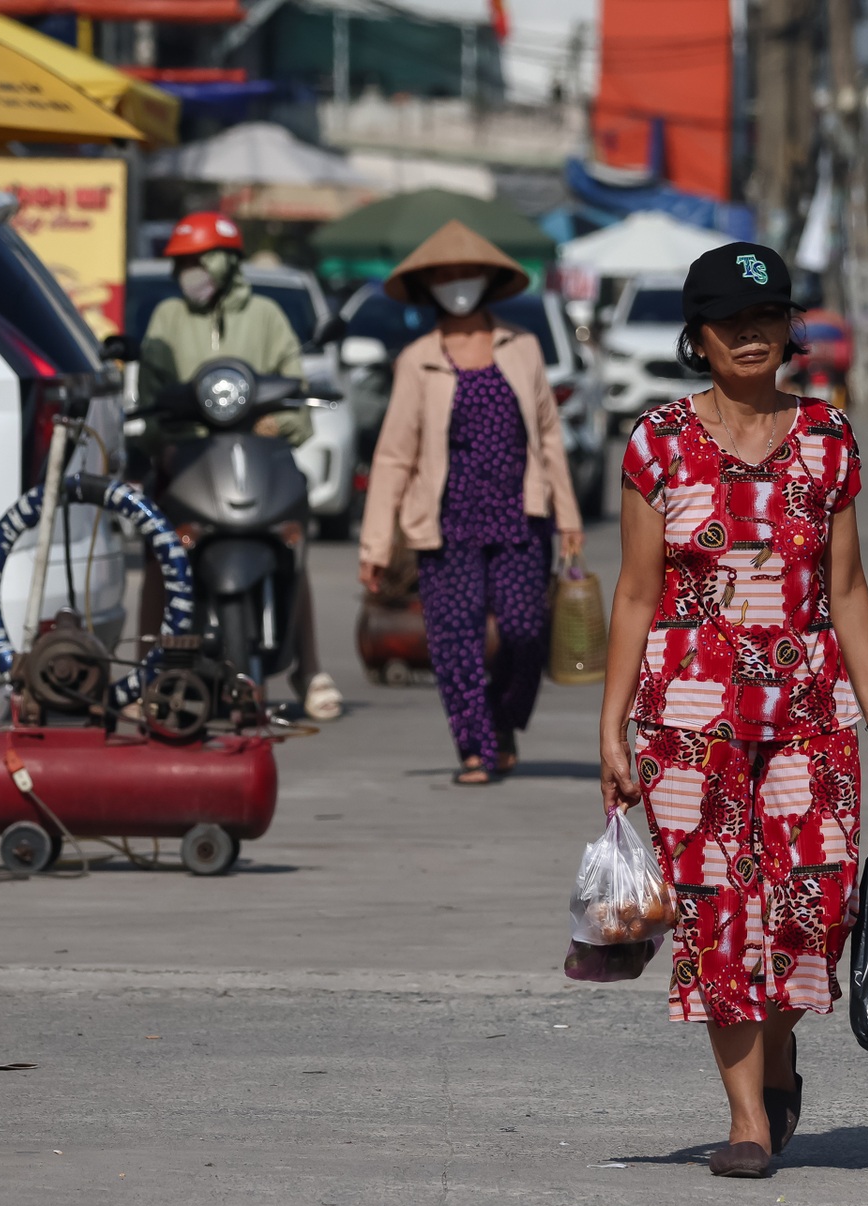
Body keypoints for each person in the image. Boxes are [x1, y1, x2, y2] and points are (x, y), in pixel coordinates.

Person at [598, 242, 868, 1179]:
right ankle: (746, 1119)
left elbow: (849, 589)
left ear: (790, 329)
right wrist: (611, 727)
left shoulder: (828, 440)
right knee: (721, 914)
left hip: (810, 716)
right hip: (688, 721)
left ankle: (779, 1056)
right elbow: (633, 594)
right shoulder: (655, 443)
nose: (749, 334)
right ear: (696, 338)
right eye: (728, 321)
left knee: (815, 907)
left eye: (767, 317)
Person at [358, 220, 585, 784]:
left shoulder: (522, 347)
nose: (458, 284)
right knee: (455, 640)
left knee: (525, 631)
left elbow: (549, 434)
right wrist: (376, 543)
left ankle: (502, 720)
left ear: (488, 280)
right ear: (430, 285)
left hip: (520, 515)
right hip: (446, 521)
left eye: (468, 273)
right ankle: (476, 747)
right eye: (446, 276)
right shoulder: (417, 360)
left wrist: (569, 515)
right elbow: (392, 455)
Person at [137, 212, 342, 721]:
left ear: (227, 261)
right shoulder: (168, 317)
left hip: (258, 457)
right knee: (159, 558)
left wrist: (283, 423)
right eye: (182, 263)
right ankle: (148, 673)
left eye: (198, 260)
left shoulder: (267, 316)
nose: (190, 271)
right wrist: (163, 436)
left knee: (290, 548)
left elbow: (294, 383)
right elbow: (151, 394)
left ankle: (309, 667)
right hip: (190, 460)